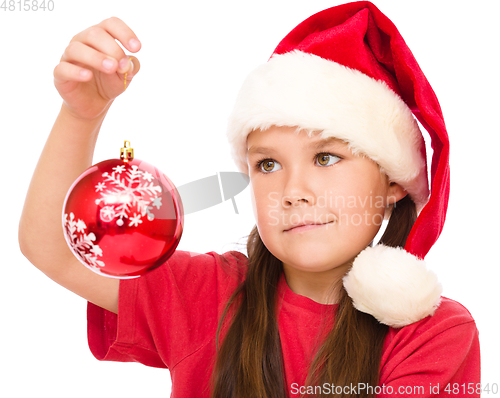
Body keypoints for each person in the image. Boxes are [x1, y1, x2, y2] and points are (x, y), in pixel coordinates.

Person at [19, 2, 480, 397]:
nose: (294, 192)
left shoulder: (436, 335)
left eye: (326, 157)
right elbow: (55, 247)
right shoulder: (209, 296)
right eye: (268, 165)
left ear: (394, 181)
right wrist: (81, 115)